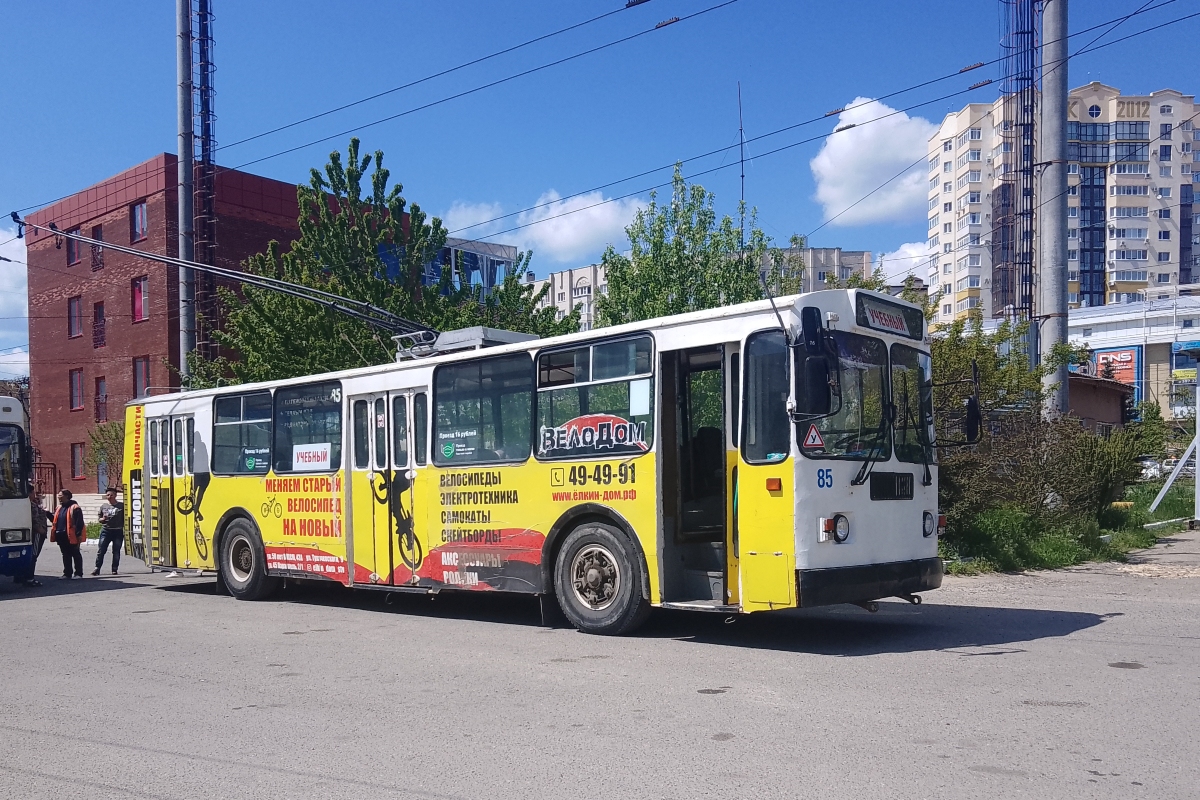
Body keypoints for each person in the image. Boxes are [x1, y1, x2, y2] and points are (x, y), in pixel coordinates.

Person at [50, 489, 86, 580]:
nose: (59, 497)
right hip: (61, 535)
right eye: (58, 495)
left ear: (67, 496)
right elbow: (54, 520)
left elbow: (79, 523)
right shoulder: (59, 508)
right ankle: (67, 573)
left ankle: (78, 573)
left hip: (71, 535)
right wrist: (47, 513)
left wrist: (78, 535)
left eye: (60, 495)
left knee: (75, 553)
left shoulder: (75, 507)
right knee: (65, 555)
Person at [93, 487, 124, 576]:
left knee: (116, 551)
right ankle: (97, 568)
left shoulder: (121, 506)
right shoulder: (104, 506)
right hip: (106, 530)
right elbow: (99, 519)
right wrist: (102, 519)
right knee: (101, 550)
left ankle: (114, 569)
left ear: (115, 495)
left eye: (111, 495)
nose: (109, 496)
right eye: (108, 495)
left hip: (117, 531)